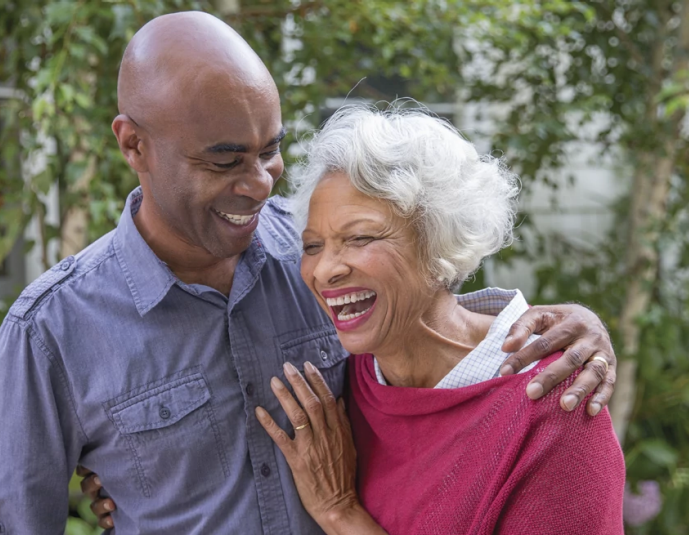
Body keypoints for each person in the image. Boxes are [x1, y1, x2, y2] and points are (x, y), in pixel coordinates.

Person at [0, 12, 618, 534]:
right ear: (133, 144)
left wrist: (569, 324)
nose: (258, 184)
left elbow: (424, 310)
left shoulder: (315, 261)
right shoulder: (51, 331)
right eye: (225, 161)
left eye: (271, 151)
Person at [252, 105, 625, 534]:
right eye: (314, 245)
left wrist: (340, 514)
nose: (324, 270)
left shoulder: (558, 407)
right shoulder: (348, 377)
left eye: (359, 238)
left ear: (438, 244)